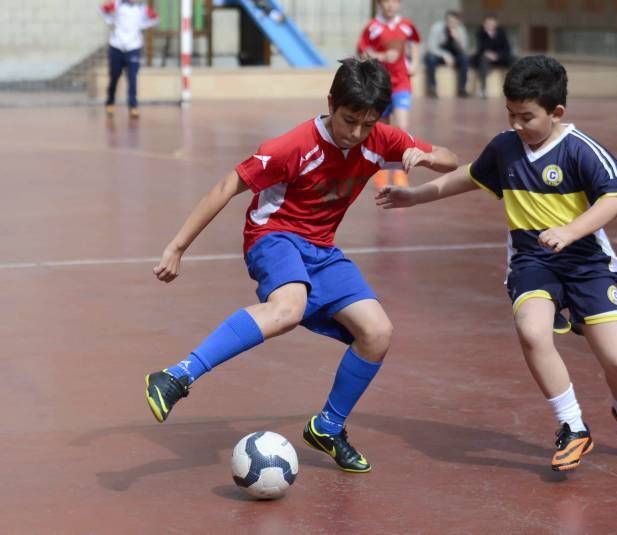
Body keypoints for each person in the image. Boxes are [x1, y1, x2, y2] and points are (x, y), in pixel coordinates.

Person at [145, 58, 458, 473]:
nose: (357, 133)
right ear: (331, 103)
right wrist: (177, 247)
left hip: (322, 248)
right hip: (273, 236)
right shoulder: (292, 146)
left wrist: (426, 156)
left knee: (378, 331)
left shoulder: (381, 138)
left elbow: (451, 159)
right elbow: (226, 186)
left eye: (368, 124)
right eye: (349, 121)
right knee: (288, 308)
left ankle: (328, 426)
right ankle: (177, 376)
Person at [376, 55, 617, 472]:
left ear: (556, 112)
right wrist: (416, 196)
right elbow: (470, 175)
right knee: (532, 330)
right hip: (531, 259)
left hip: (586, 262)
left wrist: (571, 230)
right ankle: (573, 426)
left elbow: (616, 197)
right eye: (511, 114)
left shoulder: (581, 150)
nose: (516, 125)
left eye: (526, 116)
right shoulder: (505, 147)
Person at [357, 0, 421, 187]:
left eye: (394, 1)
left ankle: (401, 170)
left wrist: (415, 62)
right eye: (386, 1)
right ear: (379, 4)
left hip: (401, 83)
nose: (390, 5)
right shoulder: (372, 27)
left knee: (401, 126)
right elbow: (363, 52)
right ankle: (382, 170)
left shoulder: (406, 25)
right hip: (381, 85)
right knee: (382, 130)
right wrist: (383, 56)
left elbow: (415, 42)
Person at [99, 0, 159, 118]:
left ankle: (133, 106)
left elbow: (152, 20)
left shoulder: (142, 8)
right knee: (114, 77)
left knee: (132, 77)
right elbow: (104, 14)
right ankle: (110, 101)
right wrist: (106, 8)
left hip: (133, 47)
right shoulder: (117, 4)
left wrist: (152, 18)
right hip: (116, 46)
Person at [423, 10, 470, 98]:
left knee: (465, 59)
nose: (451, 23)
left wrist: (457, 39)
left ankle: (462, 89)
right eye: (449, 21)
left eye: (453, 22)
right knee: (430, 59)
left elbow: (463, 49)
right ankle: (432, 88)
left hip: (455, 56)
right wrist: (444, 55)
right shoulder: (437, 27)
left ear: (458, 22)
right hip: (439, 55)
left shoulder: (461, 30)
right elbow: (431, 46)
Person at [471, 14, 514, 99]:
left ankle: (512, 89)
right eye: (487, 23)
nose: (490, 25)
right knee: (483, 60)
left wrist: (497, 55)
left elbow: (507, 49)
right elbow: (480, 48)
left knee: (514, 60)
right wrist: (487, 53)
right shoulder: (480, 33)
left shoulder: (502, 32)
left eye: (492, 23)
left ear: (496, 23)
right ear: (484, 24)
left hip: (500, 57)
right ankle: (483, 90)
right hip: (486, 57)